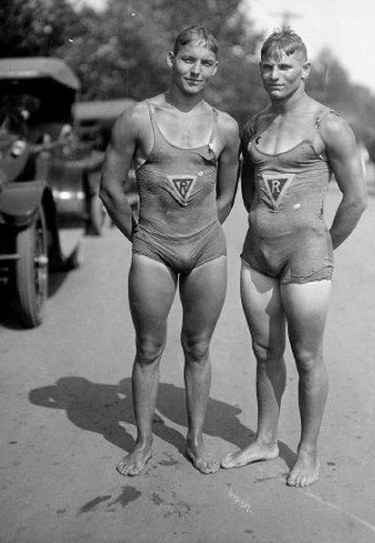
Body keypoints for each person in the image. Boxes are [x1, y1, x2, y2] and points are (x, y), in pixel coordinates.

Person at [221, 27, 367, 487]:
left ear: (304, 70)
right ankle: (265, 440)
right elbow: (251, 197)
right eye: (267, 65)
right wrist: (270, 229)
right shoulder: (256, 125)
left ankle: (307, 451)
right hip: (258, 256)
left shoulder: (329, 125)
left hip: (306, 259)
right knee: (265, 351)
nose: (274, 74)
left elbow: (356, 199)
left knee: (307, 357)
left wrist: (322, 245)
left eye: (285, 66)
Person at [100, 26, 240, 477]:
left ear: (214, 69)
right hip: (152, 248)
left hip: (206, 251)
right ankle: (143, 441)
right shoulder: (138, 118)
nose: (194, 70)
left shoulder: (225, 126)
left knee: (198, 347)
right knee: (148, 347)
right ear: (170, 59)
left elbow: (227, 193)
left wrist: (201, 231)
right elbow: (110, 189)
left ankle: (195, 439)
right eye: (187, 60)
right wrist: (142, 237)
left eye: (204, 63)